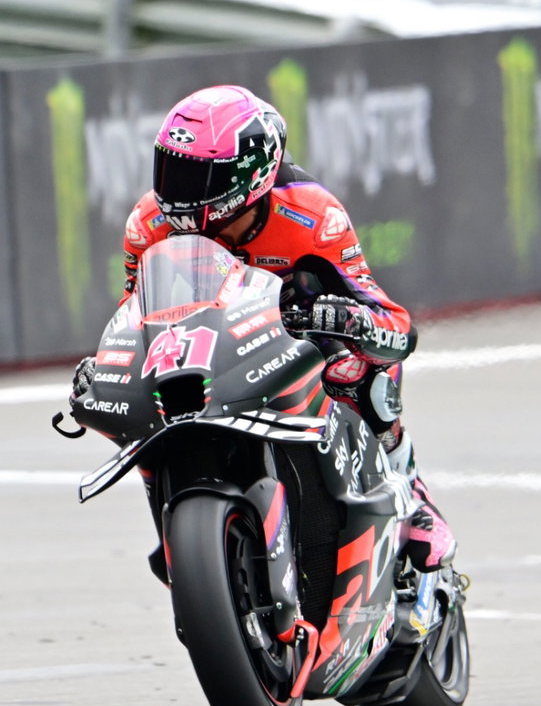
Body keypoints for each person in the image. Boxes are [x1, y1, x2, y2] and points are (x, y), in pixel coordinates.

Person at [73, 84, 456, 570]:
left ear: (247, 175)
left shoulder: (312, 215)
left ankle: (412, 495)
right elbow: (137, 314)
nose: (177, 189)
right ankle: (177, 523)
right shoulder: (148, 224)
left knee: (357, 371)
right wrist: (106, 363)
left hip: (296, 347)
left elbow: (396, 329)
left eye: (196, 175)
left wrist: (345, 318)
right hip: (208, 354)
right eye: (172, 169)